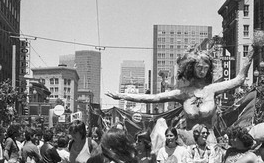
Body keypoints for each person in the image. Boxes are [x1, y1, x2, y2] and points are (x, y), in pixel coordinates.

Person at [106, 45, 255, 128]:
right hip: (187, 146)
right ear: (191, 68)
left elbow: (239, 79)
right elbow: (154, 97)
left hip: (210, 146)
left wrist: (252, 52)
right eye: (199, 67)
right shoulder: (183, 93)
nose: (202, 71)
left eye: (205, 68)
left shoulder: (212, 89)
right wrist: (121, 96)